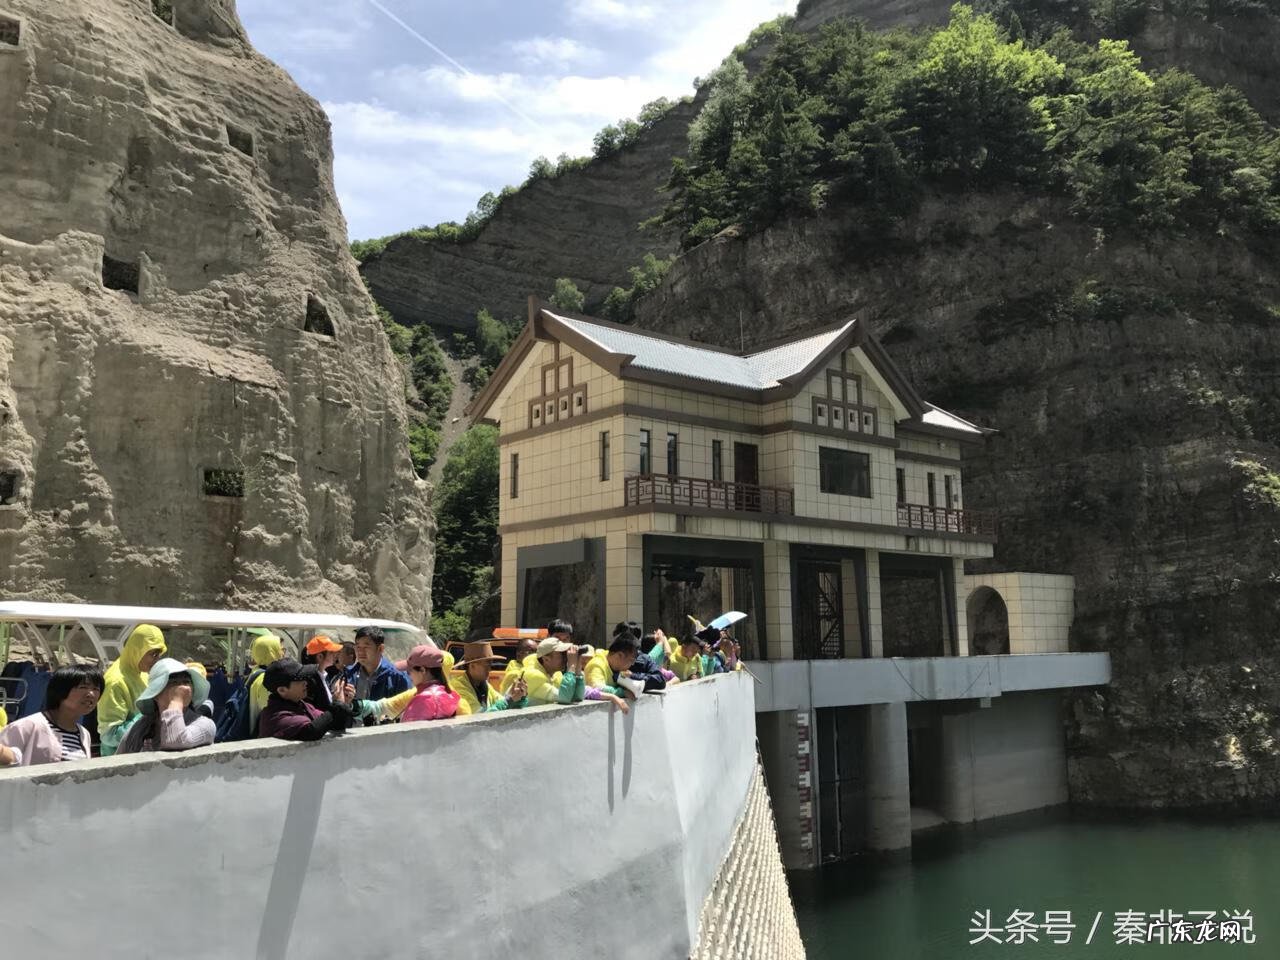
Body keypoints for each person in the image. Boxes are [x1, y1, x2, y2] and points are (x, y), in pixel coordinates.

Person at [0, 666, 103, 766]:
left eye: (96, 689)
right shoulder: (27, 727)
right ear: (61, 691)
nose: (91, 694)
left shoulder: (84, 734)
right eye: (83, 687)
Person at [117, 658, 216, 754]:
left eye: (186, 681)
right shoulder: (141, 727)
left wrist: (176, 702)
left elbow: (176, 740)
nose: (182, 687)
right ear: (155, 694)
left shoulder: (205, 725)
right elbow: (119, 761)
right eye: (173, 682)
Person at [98, 623, 167, 755]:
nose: (157, 660)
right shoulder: (115, 681)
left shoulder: (143, 672)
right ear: (138, 650)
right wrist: (149, 716)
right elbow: (109, 735)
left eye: (159, 655)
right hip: (118, 759)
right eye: (153, 655)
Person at [258, 659, 356, 741]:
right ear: (282, 690)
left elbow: (333, 724)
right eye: (300, 679)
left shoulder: (302, 705)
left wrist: (344, 703)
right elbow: (311, 732)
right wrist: (337, 705)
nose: (305, 682)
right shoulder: (274, 715)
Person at [346, 626, 411, 725]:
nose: (360, 652)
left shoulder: (397, 678)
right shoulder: (348, 674)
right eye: (358, 646)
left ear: (380, 648)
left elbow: (405, 712)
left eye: (366, 647)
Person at [451, 640, 527, 715]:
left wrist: (520, 696)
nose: (490, 669)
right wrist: (509, 699)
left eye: (491, 665)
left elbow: (502, 702)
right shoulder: (458, 687)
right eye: (487, 666)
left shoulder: (484, 684)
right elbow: (479, 717)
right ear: (472, 666)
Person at [584, 631, 643, 713]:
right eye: (631, 660)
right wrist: (623, 692)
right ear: (620, 655)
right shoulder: (596, 665)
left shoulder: (615, 665)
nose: (632, 664)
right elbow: (598, 688)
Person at [519, 637, 585, 706]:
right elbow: (565, 698)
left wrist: (578, 670)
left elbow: (577, 698)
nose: (566, 657)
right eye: (562, 654)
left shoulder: (556, 674)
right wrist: (571, 667)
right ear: (546, 659)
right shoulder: (532, 676)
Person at [245, 630, 285, 733]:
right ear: (270, 653)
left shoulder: (256, 672)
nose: (283, 654)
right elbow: (269, 712)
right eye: (281, 650)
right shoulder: (265, 680)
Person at [301, 635, 345, 706]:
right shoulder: (311, 681)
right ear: (320, 657)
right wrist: (338, 702)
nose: (335, 654)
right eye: (331, 652)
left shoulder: (323, 676)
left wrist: (334, 698)